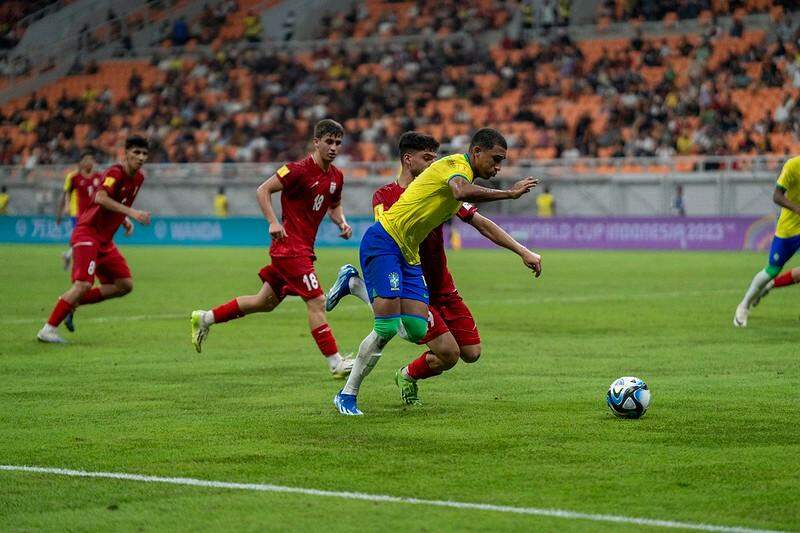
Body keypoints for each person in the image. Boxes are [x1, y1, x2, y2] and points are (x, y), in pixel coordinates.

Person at [333, 128, 541, 415]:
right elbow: (459, 190)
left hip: (412, 257)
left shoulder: (447, 180)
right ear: (476, 152)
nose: (498, 167)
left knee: (423, 331)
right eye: (495, 160)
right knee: (387, 327)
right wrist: (509, 192)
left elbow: (479, 221)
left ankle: (354, 285)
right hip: (385, 244)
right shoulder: (454, 170)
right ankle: (347, 394)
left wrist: (523, 251)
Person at [190, 119, 355, 378]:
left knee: (263, 302)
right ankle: (335, 362)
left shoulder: (336, 176)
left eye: (338, 143)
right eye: (329, 142)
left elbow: (334, 205)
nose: (334, 147)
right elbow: (263, 190)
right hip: (290, 248)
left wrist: (342, 222)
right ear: (316, 142)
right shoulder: (296, 170)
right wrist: (273, 222)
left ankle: (205, 318)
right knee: (317, 300)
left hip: (301, 248)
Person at [37, 136, 152, 343]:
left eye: (144, 154)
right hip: (88, 233)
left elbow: (117, 201)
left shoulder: (139, 178)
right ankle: (48, 329)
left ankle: (71, 304)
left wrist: (123, 218)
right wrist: (132, 213)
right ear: (125, 153)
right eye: (136, 152)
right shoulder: (114, 172)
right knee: (83, 284)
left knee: (124, 284)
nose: (141, 157)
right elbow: (101, 198)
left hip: (105, 241)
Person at [734, 156, 800, 327]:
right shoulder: (793, 165)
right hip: (789, 229)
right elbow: (777, 196)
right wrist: (796, 208)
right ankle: (744, 305)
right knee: (771, 270)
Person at [57, 152, 102, 271]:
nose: (89, 162)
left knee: (89, 239)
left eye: (91, 160)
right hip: (77, 213)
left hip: (95, 214)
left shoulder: (98, 176)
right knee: (83, 238)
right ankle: (80, 263)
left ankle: (69, 256)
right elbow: (67, 193)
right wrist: (64, 208)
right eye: (86, 160)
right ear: (81, 163)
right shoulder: (72, 177)